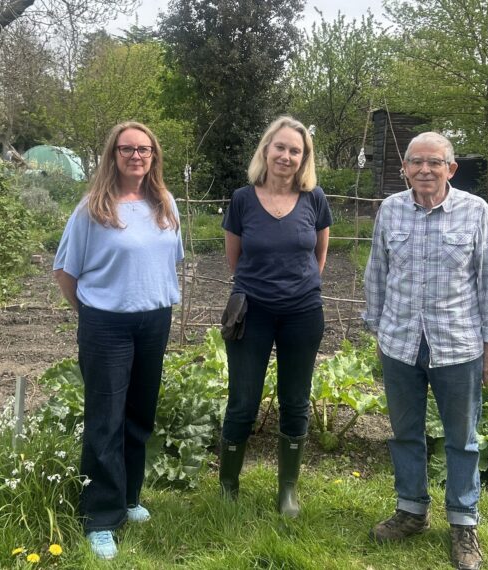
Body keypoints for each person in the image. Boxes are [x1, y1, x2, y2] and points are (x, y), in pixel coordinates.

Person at [363, 132, 488, 570]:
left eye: (435, 162)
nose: (425, 170)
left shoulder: (475, 211)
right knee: (404, 433)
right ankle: (411, 511)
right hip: (400, 342)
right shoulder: (390, 210)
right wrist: (378, 331)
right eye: (416, 162)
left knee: (462, 439)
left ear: (451, 168)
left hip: (458, 344)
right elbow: (377, 272)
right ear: (405, 168)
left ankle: (464, 524)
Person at [53, 121, 183, 560]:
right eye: (127, 149)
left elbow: (165, 261)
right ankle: (100, 518)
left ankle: (128, 497)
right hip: (106, 325)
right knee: (105, 419)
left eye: (144, 149)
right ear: (113, 155)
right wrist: (94, 311)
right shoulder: (92, 208)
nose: (136, 156)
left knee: (139, 415)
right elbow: (65, 272)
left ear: (154, 156)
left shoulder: (165, 204)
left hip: (154, 320)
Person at [218, 116, 332, 517]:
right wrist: (263, 287)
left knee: (295, 401)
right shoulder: (242, 199)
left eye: (295, 151)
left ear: (304, 158)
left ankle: (287, 491)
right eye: (280, 147)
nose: (286, 156)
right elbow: (235, 259)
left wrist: (298, 287)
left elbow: (319, 255)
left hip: (303, 313)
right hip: (251, 312)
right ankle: (228, 485)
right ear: (266, 150)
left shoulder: (314, 198)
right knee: (242, 401)